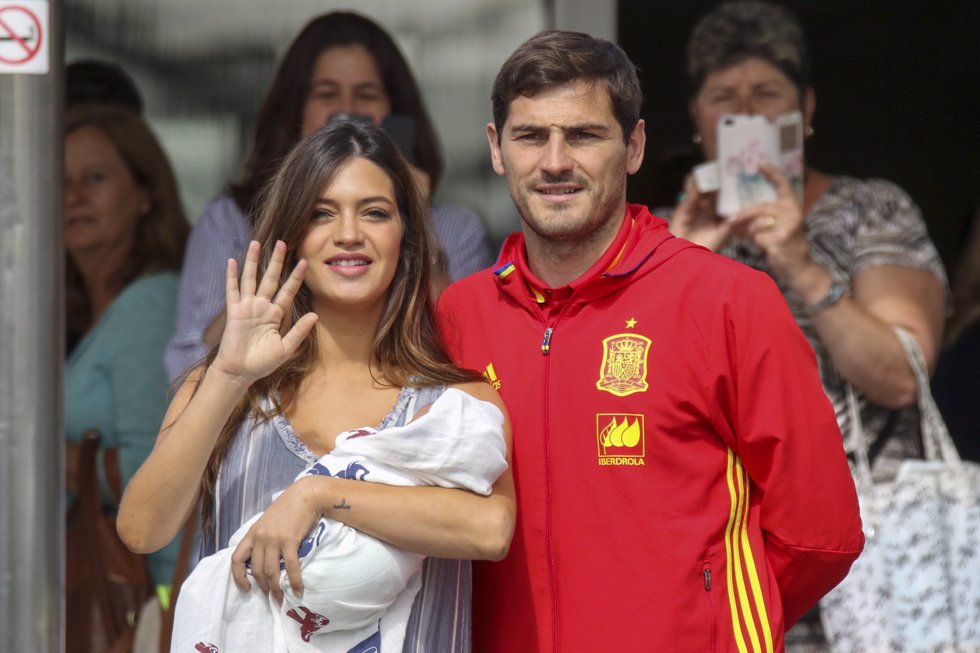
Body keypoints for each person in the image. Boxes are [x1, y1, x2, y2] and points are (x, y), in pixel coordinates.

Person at [436, 30, 864, 652]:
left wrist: (710, 628)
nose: (555, 161)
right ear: (497, 149)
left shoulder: (728, 300)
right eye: (531, 136)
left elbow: (820, 533)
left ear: (633, 146)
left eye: (584, 135)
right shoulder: (459, 313)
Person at [117, 121, 516, 653]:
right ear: (291, 234)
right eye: (321, 213)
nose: (348, 233)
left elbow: (489, 531)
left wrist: (322, 495)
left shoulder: (456, 401)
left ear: (407, 238)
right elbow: (143, 530)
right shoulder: (221, 385)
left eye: (374, 212)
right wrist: (231, 375)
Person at [666, 3, 949, 647]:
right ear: (697, 121)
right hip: (724, 560)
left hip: (870, 557)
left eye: (767, 93)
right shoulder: (668, 234)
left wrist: (798, 260)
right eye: (724, 98)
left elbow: (901, 377)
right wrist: (686, 266)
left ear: (807, 109)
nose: (747, 115)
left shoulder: (869, 210)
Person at [164, 11, 495, 382]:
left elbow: (471, 361)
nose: (349, 112)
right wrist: (280, 230)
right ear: (295, 112)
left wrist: (415, 220)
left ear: (397, 114)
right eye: (328, 94)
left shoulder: (453, 227)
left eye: (366, 94)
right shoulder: (231, 219)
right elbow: (186, 372)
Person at [64, 104, 189, 588]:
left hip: (150, 595)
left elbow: (149, 475)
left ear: (145, 195)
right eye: (60, 180)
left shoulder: (148, 306)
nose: (72, 195)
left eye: (95, 178)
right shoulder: (91, 309)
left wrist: (35, 450)